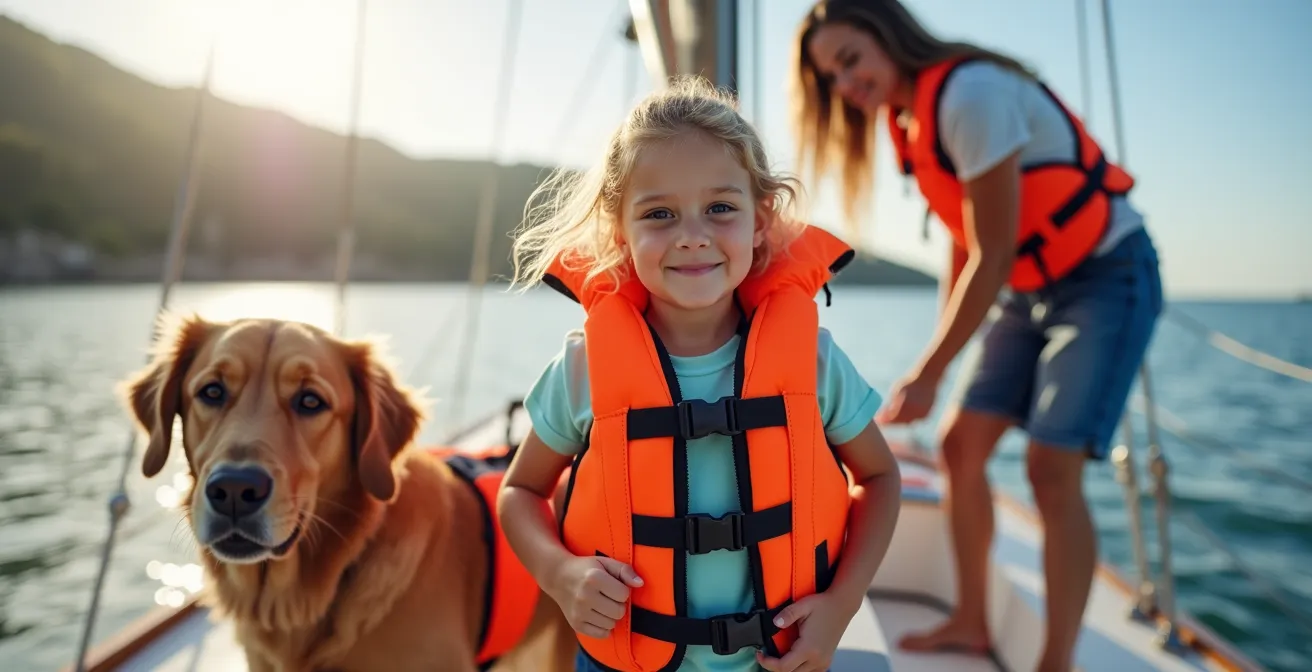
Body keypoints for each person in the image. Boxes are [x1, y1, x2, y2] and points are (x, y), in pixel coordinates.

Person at [789, 1, 1163, 670]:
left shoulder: (970, 95)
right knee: (959, 445)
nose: (845, 85)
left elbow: (990, 253)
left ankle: (1055, 661)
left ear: (888, 35)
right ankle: (968, 620)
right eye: (830, 77)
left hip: (1106, 274)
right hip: (1025, 287)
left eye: (850, 60)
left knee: (1050, 469)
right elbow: (965, 244)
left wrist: (930, 372)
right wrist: (940, 353)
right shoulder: (909, 122)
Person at [497, 75, 903, 672]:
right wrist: (559, 573)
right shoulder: (583, 368)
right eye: (659, 213)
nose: (692, 237)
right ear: (619, 231)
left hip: (778, 660)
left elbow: (881, 478)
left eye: (720, 209)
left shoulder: (814, 363)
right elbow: (520, 492)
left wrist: (841, 605)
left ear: (761, 219)